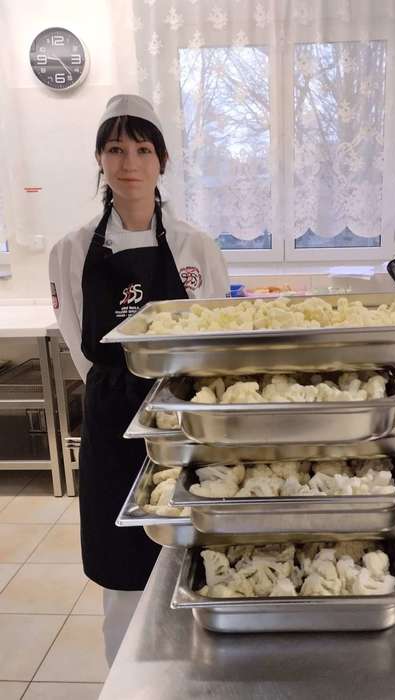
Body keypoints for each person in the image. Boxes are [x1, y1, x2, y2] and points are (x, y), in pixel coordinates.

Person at [49, 94, 229, 662]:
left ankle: (196, 672)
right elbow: (78, 340)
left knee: (193, 548)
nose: (129, 163)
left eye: (143, 149)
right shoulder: (71, 250)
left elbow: (216, 334)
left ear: (162, 160)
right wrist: (122, 393)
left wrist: (177, 398)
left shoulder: (195, 246)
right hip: (113, 421)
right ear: (99, 159)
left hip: (186, 416)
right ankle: (129, 675)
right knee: (123, 564)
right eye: (115, 149)